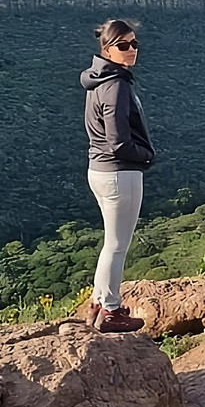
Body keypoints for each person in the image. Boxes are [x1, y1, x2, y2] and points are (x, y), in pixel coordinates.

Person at [80, 18, 155, 333]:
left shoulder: (99, 79)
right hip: (119, 173)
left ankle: (99, 302)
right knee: (117, 245)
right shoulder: (116, 85)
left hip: (99, 170)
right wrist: (146, 156)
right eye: (123, 45)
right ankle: (111, 311)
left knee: (111, 242)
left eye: (134, 43)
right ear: (107, 49)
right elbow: (119, 141)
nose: (131, 50)